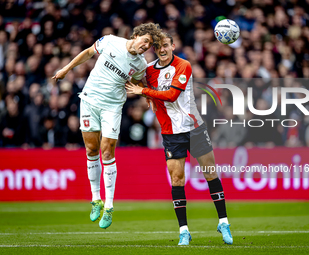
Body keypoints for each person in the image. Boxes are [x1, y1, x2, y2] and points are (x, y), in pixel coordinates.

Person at [125, 33, 233, 245]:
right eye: (158, 47)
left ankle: (223, 222)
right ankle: (184, 230)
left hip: (194, 128)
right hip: (170, 132)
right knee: (177, 180)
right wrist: (147, 94)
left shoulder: (183, 65)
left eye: (166, 45)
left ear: (173, 45)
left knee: (210, 173)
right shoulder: (149, 70)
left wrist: (143, 91)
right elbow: (136, 79)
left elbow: (172, 95)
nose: (162, 49)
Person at [52, 23, 163, 229]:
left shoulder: (140, 64)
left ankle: (109, 207)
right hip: (89, 101)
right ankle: (96, 199)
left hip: (112, 107)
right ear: (136, 35)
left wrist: (146, 93)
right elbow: (87, 53)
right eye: (145, 40)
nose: (147, 46)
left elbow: (139, 82)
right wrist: (66, 69)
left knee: (107, 151)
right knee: (91, 149)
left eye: (150, 44)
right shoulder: (110, 40)